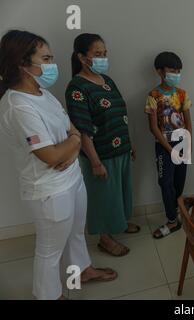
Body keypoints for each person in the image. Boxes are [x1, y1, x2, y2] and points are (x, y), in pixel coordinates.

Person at [0, 30, 117, 300]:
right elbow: (51, 156)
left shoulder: (43, 93)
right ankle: (49, 295)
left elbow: (71, 129)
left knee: (76, 231)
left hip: (71, 176)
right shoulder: (18, 106)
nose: (52, 64)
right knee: (50, 250)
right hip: (49, 188)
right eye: (46, 58)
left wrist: (72, 147)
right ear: (22, 63)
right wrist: (72, 143)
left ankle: (82, 271)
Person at [65, 33, 138, 257]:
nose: (103, 58)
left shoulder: (108, 81)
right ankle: (105, 239)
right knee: (104, 196)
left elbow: (120, 115)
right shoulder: (77, 88)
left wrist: (129, 144)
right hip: (101, 155)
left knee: (120, 192)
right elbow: (82, 129)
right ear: (82, 57)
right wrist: (95, 162)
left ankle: (121, 223)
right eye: (97, 54)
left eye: (104, 53)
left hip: (121, 150)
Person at [145, 52, 192, 239]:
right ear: (160, 71)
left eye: (179, 71)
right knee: (166, 183)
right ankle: (172, 220)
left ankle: (177, 212)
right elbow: (153, 127)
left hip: (181, 143)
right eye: (172, 70)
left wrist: (187, 145)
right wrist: (169, 149)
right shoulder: (153, 96)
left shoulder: (182, 94)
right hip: (164, 147)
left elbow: (188, 122)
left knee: (179, 181)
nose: (176, 74)